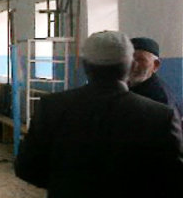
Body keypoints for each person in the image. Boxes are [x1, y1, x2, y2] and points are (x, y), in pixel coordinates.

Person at [15, 31, 183, 197]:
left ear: (85, 65)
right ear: (131, 65)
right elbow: (173, 179)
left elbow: (27, 168)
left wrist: (66, 183)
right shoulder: (160, 115)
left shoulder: (52, 107)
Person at [129, 37, 183, 118]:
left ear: (156, 65)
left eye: (141, 60)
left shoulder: (160, 99)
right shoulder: (130, 86)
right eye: (129, 59)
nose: (134, 65)